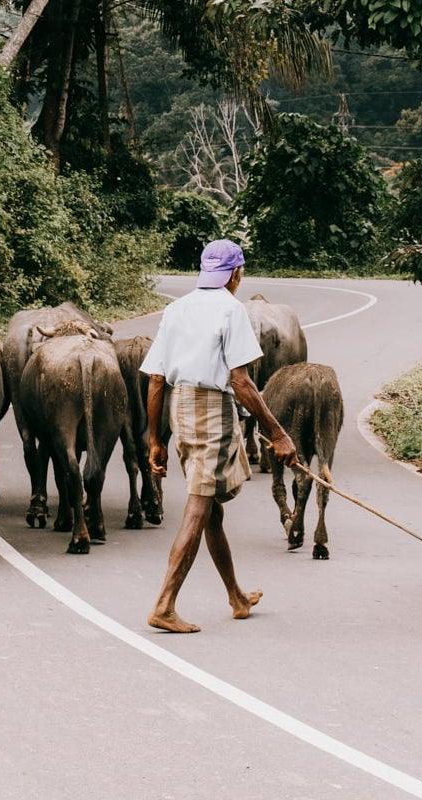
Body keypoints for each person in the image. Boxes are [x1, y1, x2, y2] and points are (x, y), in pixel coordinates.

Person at [141, 239, 297, 634]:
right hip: (213, 410)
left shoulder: (176, 309)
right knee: (199, 504)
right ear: (236, 274)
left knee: (210, 505)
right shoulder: (232, 310)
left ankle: (236, 596)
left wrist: (155, 439)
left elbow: (157, 379)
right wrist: (277, 433)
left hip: (180, 408)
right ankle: (164, 604)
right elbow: (240, 381)